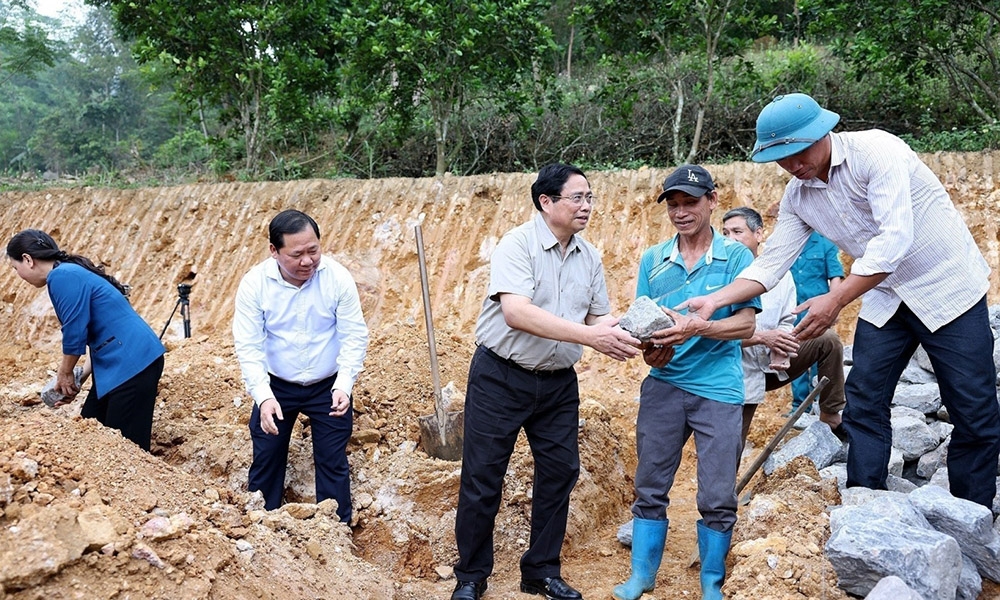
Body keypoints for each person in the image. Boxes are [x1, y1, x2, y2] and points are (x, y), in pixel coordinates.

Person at [683, 92, 1000, 509]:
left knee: (972, 406)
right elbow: (771, 263)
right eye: (782, 159)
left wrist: (836, 299)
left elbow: (894, 241)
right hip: (886, 298)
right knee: (865, 398)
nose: (794, 165)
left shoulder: (877, 152)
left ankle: (969, 510)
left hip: (946, 288)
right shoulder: (799, 196)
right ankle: (866, 504)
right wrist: (714, 299)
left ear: (823, 132)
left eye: (799, 152)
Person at [452, 163, 641, 600]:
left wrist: (635, 327)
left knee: (560, 472)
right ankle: (471, 576)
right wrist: (592, 337)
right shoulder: (516, 245)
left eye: (590, 197)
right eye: (577, 197)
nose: (587, 206)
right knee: (483, 477)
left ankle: (540, 570)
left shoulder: (588, 255)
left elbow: (597, 316)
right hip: (501, 376)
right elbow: (516, 313)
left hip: (557, 383)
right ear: (546, 202)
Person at [613, 165, 759, 600]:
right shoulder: (653, 261)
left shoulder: (736, 258)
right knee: (650, 484)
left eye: (690, 202)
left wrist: (697, 327)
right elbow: (643, 325)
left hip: (718, 388)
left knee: (717, 491)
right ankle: (642, 576)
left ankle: (711, 582)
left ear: (712, 201)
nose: (681, 212)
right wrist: (651, 351)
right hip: (664, 384)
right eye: (673, 205)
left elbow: (747, 326)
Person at [232, 209, 369, 523]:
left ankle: (335, 532)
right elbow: (249, 346)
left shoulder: (337, 278)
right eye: (296, 254)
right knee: (267, 455)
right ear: (274, 251)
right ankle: (262, 528)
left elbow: (353, 335)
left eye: (313, 250)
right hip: (277, 385)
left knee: (333, 460)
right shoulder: (255, 285)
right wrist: (263, 398)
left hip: (328, 385)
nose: (307, 261)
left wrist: (344, 385)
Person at [6, 229, 165, 451]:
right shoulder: (69, 272)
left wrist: (65, 373)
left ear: (27, 259)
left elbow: (75, 332)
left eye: (16, 268)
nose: (18, 275)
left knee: (125, 450)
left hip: (133, 363)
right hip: (121, 361)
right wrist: (78, 378)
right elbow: (96, 336)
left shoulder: (61, 276)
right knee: (91, 432)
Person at [720, 207, 846, 445]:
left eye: (737, 231)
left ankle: (831, 414)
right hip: (734, 371)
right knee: (729, 445)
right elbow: (710, 333)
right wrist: (762, 337)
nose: (730, 239)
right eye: (725, 233)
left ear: (758, 234)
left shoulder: (781, 274)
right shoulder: (715, 277)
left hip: (770, 364)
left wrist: (781, 341)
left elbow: (787, 319)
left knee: (827, 340)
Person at [788, 231, 844, 412]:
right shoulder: (789, 243)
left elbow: (835, 275)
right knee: (794, 354)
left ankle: (820, 403)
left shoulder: (826, 243)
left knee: (820, 356)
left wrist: (834, 306)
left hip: (817, 311)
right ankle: (799, 406)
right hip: (792, 310)